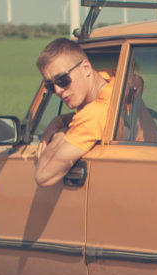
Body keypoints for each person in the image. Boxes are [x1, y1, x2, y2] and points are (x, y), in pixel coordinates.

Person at [32, 38, 113, 187]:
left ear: (86, 68)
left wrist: (61, 133)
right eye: (50, 86)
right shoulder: (113, 81)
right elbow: (137, 80)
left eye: (62, 79)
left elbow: (43, 176)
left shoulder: (94, 115)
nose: (57, 90)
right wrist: (60, 120)